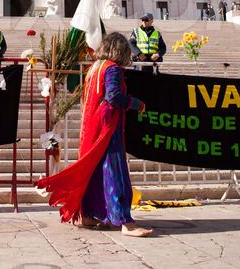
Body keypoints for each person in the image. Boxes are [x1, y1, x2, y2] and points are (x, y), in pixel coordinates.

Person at [35, 32, 152, 237]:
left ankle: (88, 215)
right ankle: (125, 222)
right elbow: (114, 97)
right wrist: (136, 104)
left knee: (94, 170)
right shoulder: (112, 69)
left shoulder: (94, 67)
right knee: (114, 171)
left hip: (91, 126)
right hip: (107, 127)